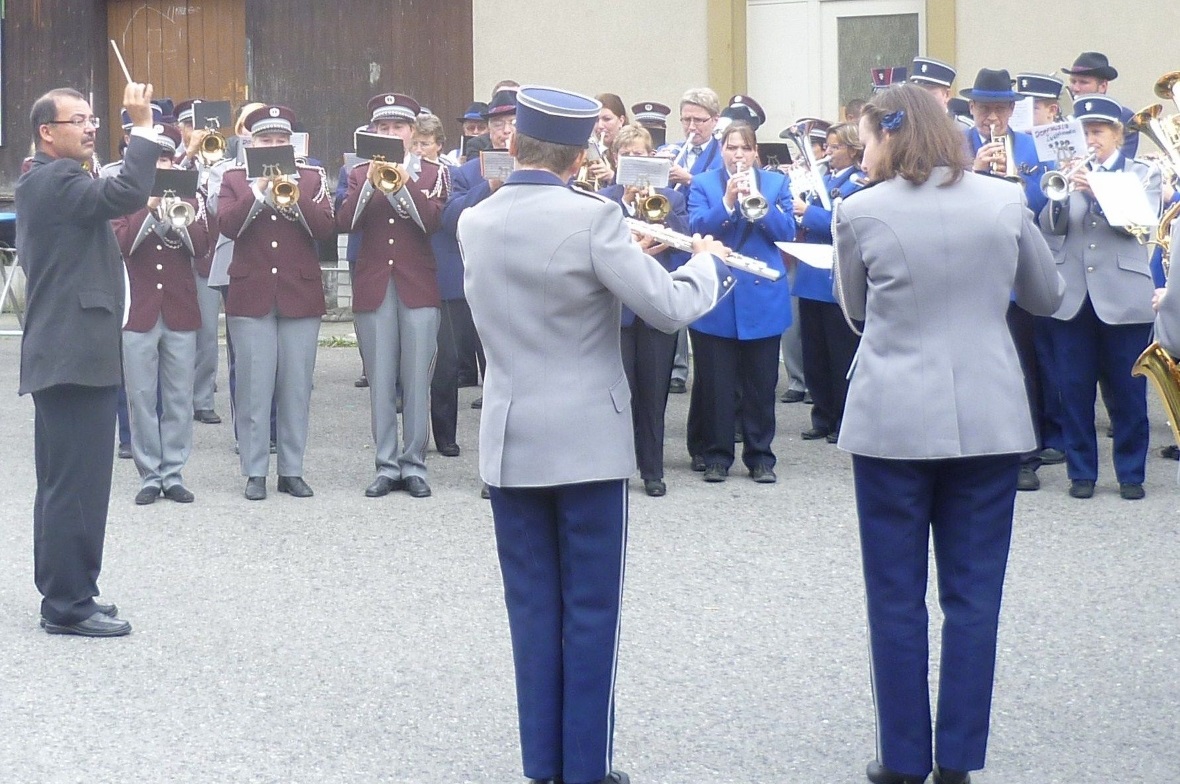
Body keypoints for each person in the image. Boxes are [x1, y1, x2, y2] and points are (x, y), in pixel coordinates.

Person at [458, 85, 734, 784]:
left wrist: (620, 251)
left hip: (512, 436)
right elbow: (669, 308)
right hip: (585, 441)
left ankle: (541, 767)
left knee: (531, 614)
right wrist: (704, 260)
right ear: (582, 156)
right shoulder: (593, 218)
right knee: (589, 615)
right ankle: (585, 769)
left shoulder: (477, 220)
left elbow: (541, 287)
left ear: (514, 145)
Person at [832, 83, 1063, 784]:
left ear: (890, 136)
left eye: (869, 135)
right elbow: (1047, 297)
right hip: (989, 416)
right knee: (974, 598)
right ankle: (959, 756)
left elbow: (853, 312)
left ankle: (903, 757)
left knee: (895, 595)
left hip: (893, 418)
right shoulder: (1002, 199)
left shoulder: (859, 209)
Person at [17, 81, 158, 637]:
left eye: (94, 118)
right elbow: (124, 192)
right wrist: (141, 124)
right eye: (79, 120)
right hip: (73, 354)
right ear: (47, 133)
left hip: (69, 352)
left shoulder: (52, 180)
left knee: (66, 481)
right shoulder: (55, 179)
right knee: (76, 484)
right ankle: (67, 604)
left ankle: (69, 591)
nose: (91, 126)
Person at [1039, 94, 1161, 500]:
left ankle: (1130, 473)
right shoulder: (1069, 173)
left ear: (1116, 135)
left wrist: (1097, 191)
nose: (1091, 140)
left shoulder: (1141, 173)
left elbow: (1138, 225)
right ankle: (1081, 473)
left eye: (1098, 132)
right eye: (1085, 132)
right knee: (1073, 390)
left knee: (1127, 394)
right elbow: (1051, 230)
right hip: (1072, 297)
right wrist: (1059, 194)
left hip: (1124, 299)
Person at [217, 104, 336, 500]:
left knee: (296, 386)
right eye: (265, 140)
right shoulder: (234, 178)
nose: (273, 145)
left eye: (280, 140)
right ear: (251, 143)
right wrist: (259, 191)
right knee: (253, 385)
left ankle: (292, 470)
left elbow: (324, 228)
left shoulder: (312, 176)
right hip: (251, 295)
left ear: (291, 143)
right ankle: (254, 472)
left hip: (299, 293)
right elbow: (228, 225)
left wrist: (294, 193)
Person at [339, 93, 449, 499]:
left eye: (397, 128)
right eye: (382, 129)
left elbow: (431, 222)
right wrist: (369, 186)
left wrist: (402, 184)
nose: (389, 134)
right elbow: (344, 221)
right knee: (381, 379)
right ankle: (386, 465)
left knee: (417, 378)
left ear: (411, 133)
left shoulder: (434, 172)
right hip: (374, 285)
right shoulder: (356, 173)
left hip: (417, 284)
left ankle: (415, 464)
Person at [687, 121, 795, 483]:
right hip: (717, 297)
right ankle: (717, 456)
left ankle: (761, 456)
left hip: (762, 298)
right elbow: (697, 228)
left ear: (754, 153)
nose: (737, 154)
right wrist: (728, 202)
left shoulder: (777, 183)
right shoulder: (702, 183)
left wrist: (760, 206)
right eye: (731, 148)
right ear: (722, 151)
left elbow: (786, 234)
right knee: (717, 386)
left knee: (761, 386)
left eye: (744, 148)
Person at [115, 124, 211, 506]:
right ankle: (149, 475)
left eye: (166, 158)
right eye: (153, 159)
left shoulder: (194, 195)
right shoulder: (123, 198)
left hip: (180, 309)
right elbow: (122, 244)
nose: (161, 165)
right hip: (137, 310)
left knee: (178, 397)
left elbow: (202, 246)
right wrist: (151, 209)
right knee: (140, 396)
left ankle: (173, 472)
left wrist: (178, 219)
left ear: (174, 161)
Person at [599, 123, 691, 496]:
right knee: (618, 393)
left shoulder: (672, 199)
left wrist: (659, 217)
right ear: (616, 160)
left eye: (642, 156)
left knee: (654, 392)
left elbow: (684, 248)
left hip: (654, 304)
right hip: (617, 308)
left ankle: (653, 469)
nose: (635, 164)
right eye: (627, 157)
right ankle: (617, 467)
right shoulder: (604, 200)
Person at [791, 121, 865, 443]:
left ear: (852, 149)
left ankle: (842, 417)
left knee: (839, 354)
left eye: (836, 147)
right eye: (829, 147)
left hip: (836, 277)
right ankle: (821, 415)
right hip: (811, 275)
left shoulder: (859, 182)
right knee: (814, 353)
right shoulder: (822, 179)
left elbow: (844, 222)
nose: (830, 153)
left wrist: (807, 212)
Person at [667, 88, 726, 396]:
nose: (692, 127)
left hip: (709, 237)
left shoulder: (722, 153)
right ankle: (674, 370)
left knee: (707, 319)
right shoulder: (671, 149)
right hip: (676, 238)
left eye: (699, 120)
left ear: (715, 120)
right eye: (686, 119)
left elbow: (722, 188)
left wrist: (688, 178)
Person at [1061, 52, 1138, 158]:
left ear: (1102, 86)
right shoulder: (1064, 115)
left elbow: (1124, 162)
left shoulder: (1125, 117)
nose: (1075, 88)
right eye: (1073, 82)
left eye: (1083, 82)